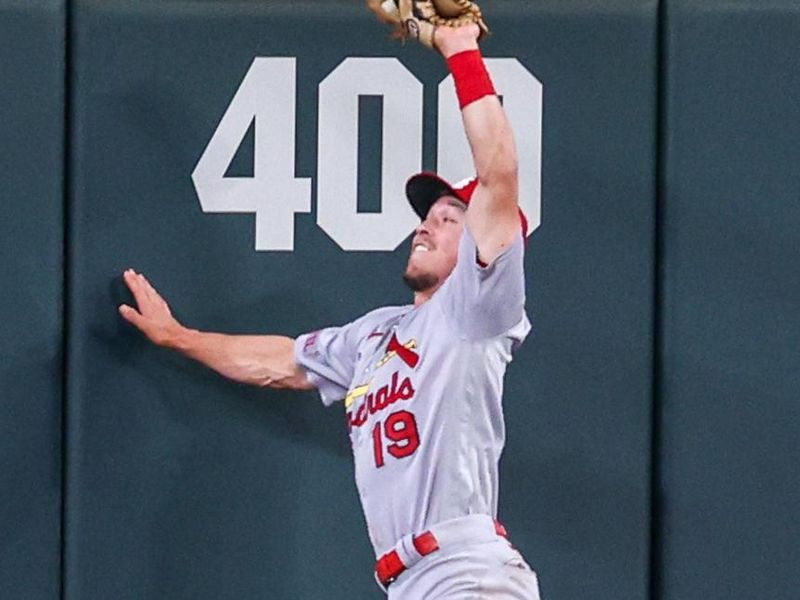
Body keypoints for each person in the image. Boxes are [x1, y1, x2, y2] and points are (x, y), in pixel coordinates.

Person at [119, 23, 540, 600]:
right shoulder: (374, 336)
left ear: (481, 244)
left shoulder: (479, 310)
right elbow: (282, 361)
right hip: (414, 582)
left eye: (449, 218)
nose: (426, 224)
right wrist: (179, 337)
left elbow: (499, 174)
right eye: (428, 214)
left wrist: (459, 48)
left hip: (468, 573)